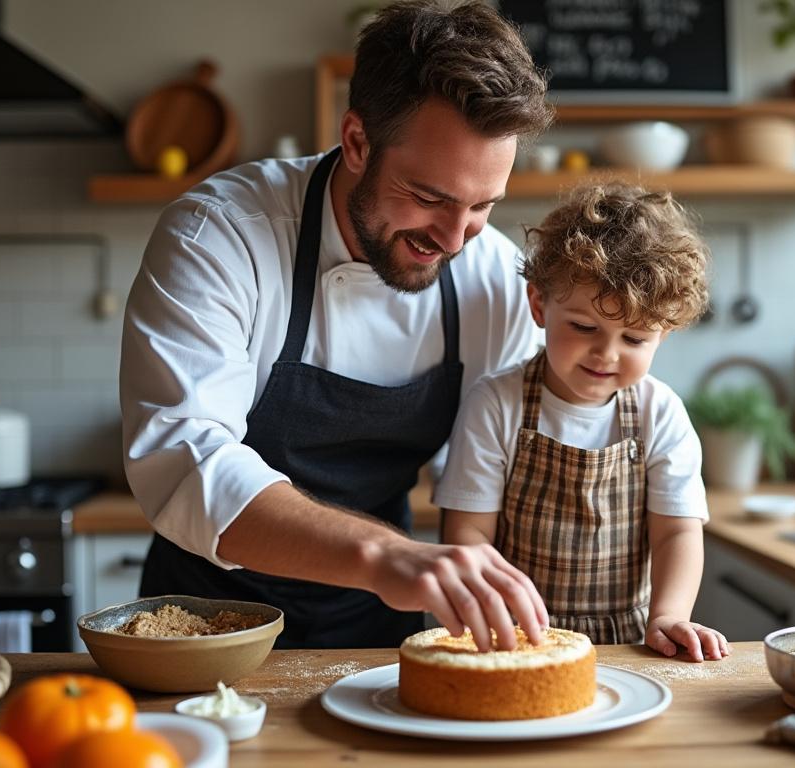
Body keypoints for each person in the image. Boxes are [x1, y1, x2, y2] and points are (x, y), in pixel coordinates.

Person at [119, 1, 556, 651]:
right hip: (205, 630)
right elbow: (187, 465)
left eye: (482, 207)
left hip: (378, 633)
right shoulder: (222, 235)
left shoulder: (493, 276)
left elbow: (505, 471)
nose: (454, 237)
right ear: (356, 141)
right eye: (430, 198)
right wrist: (385, 556)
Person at [435, 184, 732, 661]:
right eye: (584, 327)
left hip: (630, 644)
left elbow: (677, 531)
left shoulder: (660, 413)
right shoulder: (496, 403)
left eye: (634, 338)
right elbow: (468, 532)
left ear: (665, 332)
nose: (606, 353)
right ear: (539, 306)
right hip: (518, 638)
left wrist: (669, 616)